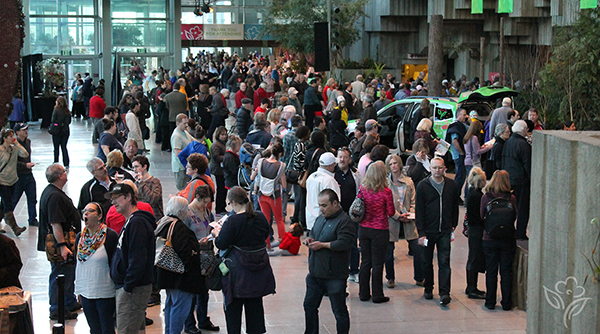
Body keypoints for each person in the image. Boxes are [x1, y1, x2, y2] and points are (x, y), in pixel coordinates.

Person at [213, 186, 275, 334]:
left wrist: (216, 233)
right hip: (259, 268)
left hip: (237, 271)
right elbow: (265, 234)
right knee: (255, 306)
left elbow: (221, 243)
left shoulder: (233, 221)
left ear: (234, 203)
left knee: (233, 308)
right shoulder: (259, 217)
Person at [303, 189, 355, 334]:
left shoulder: (345, 222)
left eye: (324, 205)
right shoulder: (321, 218)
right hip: (315, 274)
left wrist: (322, 245)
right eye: (319, 205)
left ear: (335, 203)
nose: (321, 209)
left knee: (339, 311)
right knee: (309, 306)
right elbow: (313, 232)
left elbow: (344, 243)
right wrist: (310, 239)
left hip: (335, 276)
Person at [107, 183, 156, 334]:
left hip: (133, 289)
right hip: (131, 287)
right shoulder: (131, 221)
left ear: (128, 198)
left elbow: (138, 259)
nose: (113, 202)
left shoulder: (137, 223)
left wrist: (128, 286)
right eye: (112, 199)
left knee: (127, 329)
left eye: (116, 198)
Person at [154, 196, 205, 334]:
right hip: (180, 277)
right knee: (180, 307)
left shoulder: (163, 222)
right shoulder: (179, 227)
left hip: (166, 273)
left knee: (171, 304)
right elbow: (184, 251)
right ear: (182, 211)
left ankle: (170, 331)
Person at [415, 157, 460, 306]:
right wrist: (421, 232)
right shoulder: (423, 186)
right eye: (434, 168)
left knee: (444, 262)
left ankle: (444, 292)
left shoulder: (451, 185)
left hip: (445, 230)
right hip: (428, 230)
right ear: (430, 169)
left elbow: (454, 206)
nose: (437, 170)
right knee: (427, 261)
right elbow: (419, 210)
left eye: (440, 168)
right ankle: (428, 287)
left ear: (445, 168)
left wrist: (453, 224)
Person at [39, 164, 81, 320]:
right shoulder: (54, 196)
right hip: (61, 244)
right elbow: (55, 223)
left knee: (68, 274)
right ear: (60, 176)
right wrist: (63, 246)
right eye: (64, 171)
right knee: (61, 275)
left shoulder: (53, 192)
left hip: (64, 242)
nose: (66, 173)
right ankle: (57, 308)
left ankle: (69, 302)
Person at [75, 202, 119, 334]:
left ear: (100, 216)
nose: (86, 214)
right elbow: (77, 264)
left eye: (90, 211)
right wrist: (78, 290)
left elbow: (115, 263)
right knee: (94, 329)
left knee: (106, 328)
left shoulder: (109, 236)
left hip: (104, 291)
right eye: (84, 211)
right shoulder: (80, 237)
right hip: (86, 291)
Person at [356, 161, 396, 303]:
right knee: (378, 263)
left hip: (364, 229)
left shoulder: (363, 188)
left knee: (365, 262)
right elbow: (391, 212)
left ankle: (363, 293)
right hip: (380, 230)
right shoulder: (386, 192)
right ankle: (377, 294)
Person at [183, 185, 220, 333]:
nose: (206, 205)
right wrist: (197, 243)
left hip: (206, 255)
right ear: (197, 197)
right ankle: (189, 324)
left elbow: (209, 227)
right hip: (194, 256)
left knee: (204, 291)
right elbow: (184, 237)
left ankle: (203, 320)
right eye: (204, 202)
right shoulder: (187, 214)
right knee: (192, 292)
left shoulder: (206, 211)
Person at [480, 170, 518, 310]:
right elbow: (515, 215)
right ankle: (506, 303)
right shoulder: (511, 198)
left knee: (491, 271)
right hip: (508, 239)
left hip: (489, 238)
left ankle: (490, 301)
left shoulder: (486, 197)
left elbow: (482, 215)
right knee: (506, 271)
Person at [386, 154, 423, 288]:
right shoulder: (386, 183)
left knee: (417, 249)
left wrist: (410, 214)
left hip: (409, 218)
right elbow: (386, 204)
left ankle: (419, 277)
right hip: (391, 219)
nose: (393, 166)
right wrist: (397, 216)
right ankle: (390, 277)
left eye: (395, 163)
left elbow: (414, 200)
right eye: (391, 164)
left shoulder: (409, 182)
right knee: (389, 251)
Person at [333, 147, 362, 283]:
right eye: (340, 157)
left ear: (349, 159)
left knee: (353, 243)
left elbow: (360, 192)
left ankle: (354, 270)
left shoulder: (355, 174)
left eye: (345, 157)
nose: (342, 160)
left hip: (352, 215)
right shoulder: (332, 174)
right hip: (337, 215)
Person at [502, 120, 531, 240]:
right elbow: (527, 164)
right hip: (521, 181)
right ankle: (520, 232)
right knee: (522, 208)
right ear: (523, 130)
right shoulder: (524, 145)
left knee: (510, 207)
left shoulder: (507, 142)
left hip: (509, 179)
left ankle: (508, 230)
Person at [253, 143, 287, 246]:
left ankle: (267, 245)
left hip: (261, 194)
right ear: (280, 154)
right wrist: (279, 181)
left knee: (266, 219)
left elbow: (255, 177)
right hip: (274, 196)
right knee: (279, 219)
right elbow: (284, 185)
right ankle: (283, 244)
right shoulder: (281, 166)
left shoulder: (261, 162)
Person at [464, 167, 487, 300]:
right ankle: (472, 287)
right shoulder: (478, 196)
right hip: (477, 229)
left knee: (472, 257)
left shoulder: (471, 193)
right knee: (474, 257)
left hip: (473, 229)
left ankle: (471, 286)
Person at [0, 129, 28, 236]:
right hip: (2, 181)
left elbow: (25, 154)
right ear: (4, 138)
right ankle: (15, 228)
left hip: (13, 180)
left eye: (13, 136)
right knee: (8, 204)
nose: (12, 138)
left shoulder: (14, 149)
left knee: (3, 204)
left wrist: (16, 143)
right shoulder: (0, 150)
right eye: (10, 136)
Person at [305, 152, 341, 231]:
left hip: (310, 220)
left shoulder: (311, 177)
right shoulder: (329, 181)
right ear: (331, 165)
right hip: (324, 223)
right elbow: (335, 203)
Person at [12, 123, 38, 227]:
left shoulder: (28, 142)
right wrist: (24, 165)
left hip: (29, 174)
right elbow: (13, 162)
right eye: (23, 130)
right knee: (14, 198)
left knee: (32, 198)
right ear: (17, 133)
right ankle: (6, 215)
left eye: (26, 129)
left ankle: (32, 218)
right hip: (19, 176)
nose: (26, 131)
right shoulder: (14, 145)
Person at [445, 108, 469, 203]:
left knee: (461, 175)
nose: (465, 116)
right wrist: (461, 152)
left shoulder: (462, 125)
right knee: (460, 175)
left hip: (459, 154)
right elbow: (455, 141)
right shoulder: (455, 126)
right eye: (464, 115)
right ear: (458, 115)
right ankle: (455, 195)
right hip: (458, 155)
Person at [463, 120, 492, 198]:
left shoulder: (467, 137)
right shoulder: (474, 138)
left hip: (467, 160)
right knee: (473, 181)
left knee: (469, 180)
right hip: (473, 161)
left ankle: (466, 197)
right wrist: (488, 148)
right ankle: (470, 196)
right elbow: (477, 151)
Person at [132, 155, 164, 221]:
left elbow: (153, 200)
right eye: (133, 167)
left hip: (154, 218)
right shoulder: (135, 183)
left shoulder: (155, 182)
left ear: (144, 166)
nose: (134, 170)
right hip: (140, 217)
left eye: (136, 167)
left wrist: (141, 183)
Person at [172, 114, 195, 191]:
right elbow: (178, 153)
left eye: (187, 123)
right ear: (178, 123)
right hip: (181, 168)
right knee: (183, 190)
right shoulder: (176, 136)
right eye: (184, 123)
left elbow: (194, 141)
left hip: (187, 166)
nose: (186, 125)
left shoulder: (185, 132)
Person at [210, 127, 228, 215]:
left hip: (221, 170)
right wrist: (227, 157)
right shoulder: (216, 145)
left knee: (223, 189)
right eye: (222, 135)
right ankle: (219, 209)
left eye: (225, 134)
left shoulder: (222, 143)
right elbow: (216, 157)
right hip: (218, 170)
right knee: (221, 189)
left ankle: (222, 207)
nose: (224, 136)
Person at [50, 96, 72, 167]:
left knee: (56, 148)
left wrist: (56, 124)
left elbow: (53, 120)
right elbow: (69, 122)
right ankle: (66, 163)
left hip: (57, 131)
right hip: (65, 131)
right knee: (64, 147)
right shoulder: (67, 111)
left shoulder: (56, 109)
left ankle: (56, 162)